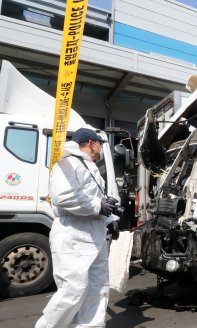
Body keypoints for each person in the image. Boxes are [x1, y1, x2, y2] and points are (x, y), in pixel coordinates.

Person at [35, 128, 120, 328]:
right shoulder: (69, 163)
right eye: (100, 143)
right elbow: (63, 197)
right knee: (73, 291)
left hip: (94, 235)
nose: (100, 148)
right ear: (91, 143)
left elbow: (96, 200)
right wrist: (99, 206)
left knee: (97, 288)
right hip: (73, 235)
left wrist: (109, 220)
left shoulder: (90, 167)